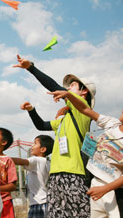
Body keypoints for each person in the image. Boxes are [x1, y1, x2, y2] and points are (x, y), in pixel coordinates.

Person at [14, 55, 96, 217]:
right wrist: (31, 110)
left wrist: (31, 68)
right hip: (55, 176)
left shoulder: (84, 110)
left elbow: (53, 85)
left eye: (72, 85)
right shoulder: (64, 119)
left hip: (74, 175)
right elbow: (41, 125)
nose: (67, 88)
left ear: (84, 91)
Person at [48, 90, 123, 218]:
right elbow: (84, 109)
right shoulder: (112, 123)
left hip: (114, 191)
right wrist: (69, 95)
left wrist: (105, 189)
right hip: (95, 184)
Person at [12, 135, 54, 218]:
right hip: (44, 202)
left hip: (39, 203)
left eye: (35, 143)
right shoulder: (47, 162)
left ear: (43, 149)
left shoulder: (36, 160)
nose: (32, 146)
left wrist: (4, 159)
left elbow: (22, 161)